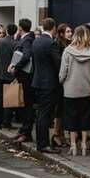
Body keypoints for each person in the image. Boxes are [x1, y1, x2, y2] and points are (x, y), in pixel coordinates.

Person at [59, 25, 90, 156]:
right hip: (86, 89)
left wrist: (62, 81)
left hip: (70, 89)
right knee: (85, 117)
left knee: (71, 117)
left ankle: (73, 145)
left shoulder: (68, 51)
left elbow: (63, 72)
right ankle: (84, 144)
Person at [31, 18, 62, 154]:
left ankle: (41, 142)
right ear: (53, 28)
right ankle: (43, 144)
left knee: (40, 114)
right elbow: (58, 63)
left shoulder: (36, 41)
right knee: (45, 114)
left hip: (38, 81)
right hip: (48, 83)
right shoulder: (51, 43)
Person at [9, 19, 36, 143]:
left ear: (20, 28)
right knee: (24, 105)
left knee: (27, 105)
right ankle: (24, 130)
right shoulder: (27, 39)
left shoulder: (27, 40)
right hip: (24, 77)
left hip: (26, 77)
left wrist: (15, 67)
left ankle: (26, 132)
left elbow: (26, 56)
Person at [52, 23, 72, 147]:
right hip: (59, 81)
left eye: (71, 31)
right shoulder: (57, 45)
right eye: (68, 31)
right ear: (61, 34)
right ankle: (56, 134)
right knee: (59, 109)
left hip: (67, 81)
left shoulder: (69, 45)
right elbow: (58, 63)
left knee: (64, 109)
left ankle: (61, 134)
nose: (70, 34)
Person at [0, 23, 18, 128]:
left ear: (7, 31)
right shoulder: (16, 43)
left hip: (0, 73)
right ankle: (6, 122)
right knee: (10, 99)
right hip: (11, 74)